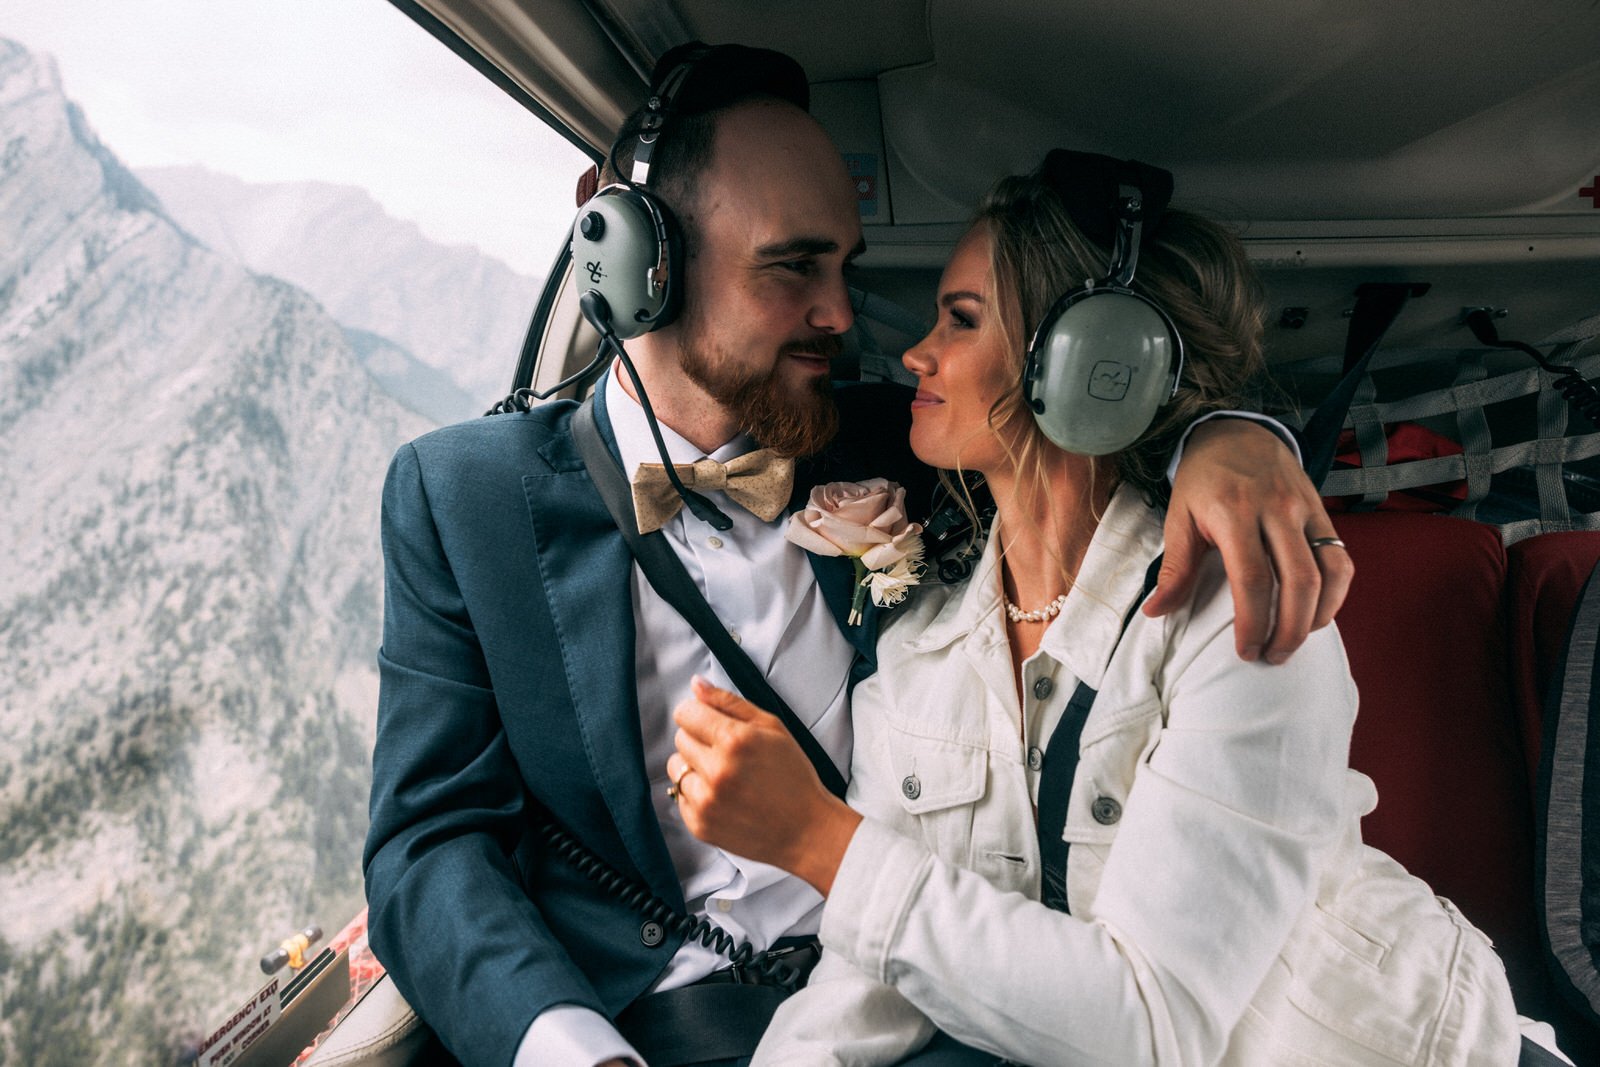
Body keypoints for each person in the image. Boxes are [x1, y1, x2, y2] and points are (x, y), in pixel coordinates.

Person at [363, 43, 1350, 1067]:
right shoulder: (460, 497)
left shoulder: (914, 442)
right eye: (795, 266)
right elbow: (429, 842)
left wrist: (1232, 437)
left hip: (931, 1001)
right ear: (634, 257)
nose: (841, 315)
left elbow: (1081, 424)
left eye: (845, 268)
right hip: (633, 1018)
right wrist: (566, 1048)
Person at [668, 153, 1551, 1065]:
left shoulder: (1234, 611)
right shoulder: (923, 649)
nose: (913, 355)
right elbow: (865, 989)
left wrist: (823, 843)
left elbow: (1150, 1026)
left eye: (960, 320)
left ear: (1091, 361)